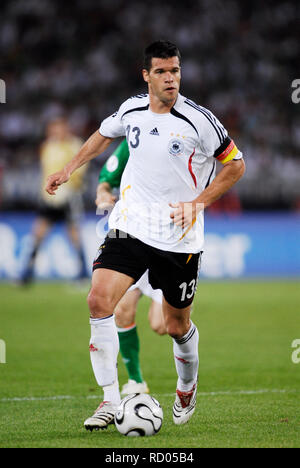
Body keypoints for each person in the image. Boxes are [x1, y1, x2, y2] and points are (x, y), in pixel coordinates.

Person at [45, 40, 245, 430]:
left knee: (175, 326)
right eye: (162, 72)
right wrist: (69, 169)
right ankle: (109, 399)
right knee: (99, 300)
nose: (171, 79)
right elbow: (104, 134)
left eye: (175, 71)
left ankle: (186, 386)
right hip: (130, 226)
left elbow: (235, 166)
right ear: (146, 75)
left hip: (179, 237)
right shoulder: (131, 108)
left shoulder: (200, 121)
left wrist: (198, 203)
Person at [96, 138, 166, 396]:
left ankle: (184, 311)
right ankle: (136, 380)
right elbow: (106, 178)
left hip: (167, 241)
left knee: (162, 325)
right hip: (133, 236)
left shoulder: (179, 137)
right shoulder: (134, 139)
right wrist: (103, 193)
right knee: (123, 309)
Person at [20, 117, 88, 284]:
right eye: (52, 129)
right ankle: (27, 272)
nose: (55, 132)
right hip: (49, 198)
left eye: (58, 129)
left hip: (69, 196)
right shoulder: (48, 147)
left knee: (74, 234)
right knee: (38, 234)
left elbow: (81, 169)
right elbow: (46, 172)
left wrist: (68, 187)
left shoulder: (75, 145)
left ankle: (83, 272)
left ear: (66, 129)